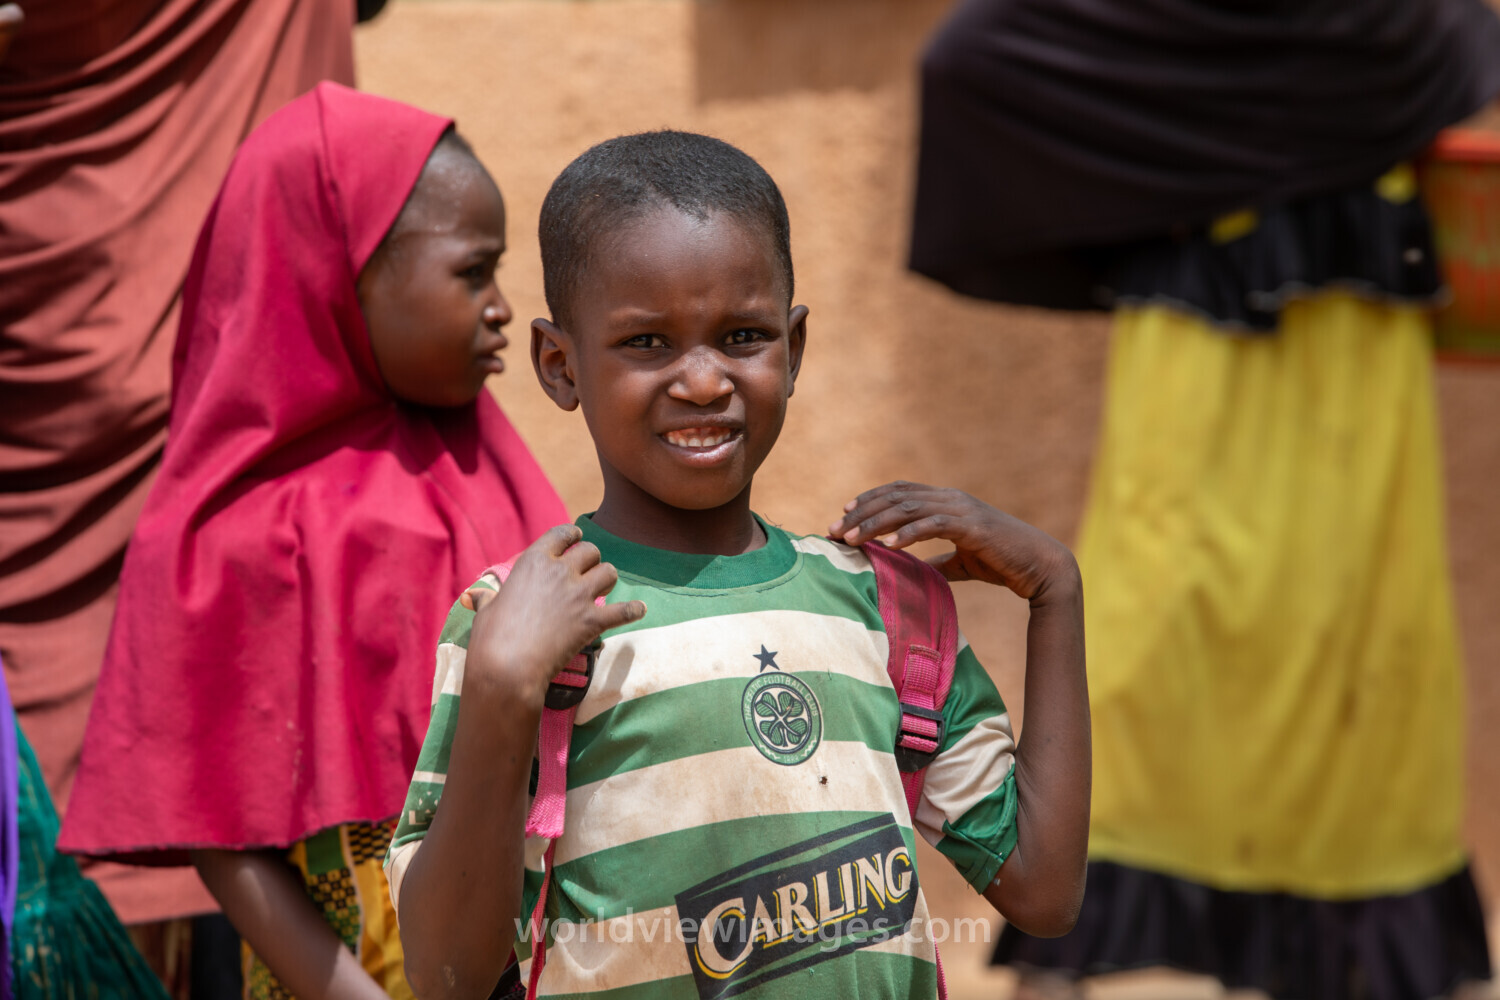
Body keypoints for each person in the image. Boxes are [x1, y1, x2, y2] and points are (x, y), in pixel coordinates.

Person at [384, 130, 1092, 1000]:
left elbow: (1044, 892)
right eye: (647, 343)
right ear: (560, 366)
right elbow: (446, 974)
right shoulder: (529, 623)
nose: (703, 380)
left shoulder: (883, 609)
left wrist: (1056, 591)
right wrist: (500, 688)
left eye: (743, 335)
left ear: (793, 350)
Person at [907, 1, 1500, 997]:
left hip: (1324, 368)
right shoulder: (1384, 33)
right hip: (1236, 357)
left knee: (1338, 653)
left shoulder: (1383, 30)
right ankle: (1067, 948)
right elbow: (973, 61)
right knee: (1166, 645)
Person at [56, 82, 567, 1000]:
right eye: (471, 271)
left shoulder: (488, 468)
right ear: (339, 269)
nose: (501, 306)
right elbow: (221, 835)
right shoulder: (217, 532)